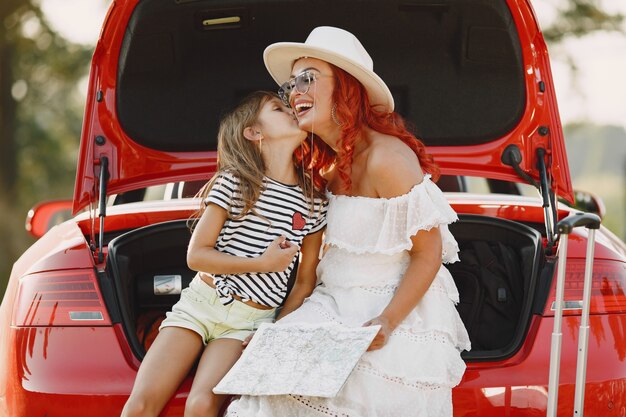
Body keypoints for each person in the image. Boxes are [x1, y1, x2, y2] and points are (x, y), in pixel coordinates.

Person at [226, 27, 471, 416]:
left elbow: (429, 254)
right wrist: (274, 331)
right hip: (332, 304)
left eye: (308, 78)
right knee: (266, 389)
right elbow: (309, 276)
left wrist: (386, 323)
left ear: (346, 87)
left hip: (395, 308)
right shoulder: (325, 170)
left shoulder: (386, 159)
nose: (295, 93)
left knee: (359, 394)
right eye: (291, 85)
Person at [121, 91, 334, 417]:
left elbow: (304, 283)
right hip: (201, 305)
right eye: (278, 108)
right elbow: (197, 255)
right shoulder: (235, 183)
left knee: (201, 405)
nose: (291, 110)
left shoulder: (314, 202)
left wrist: (274, 333)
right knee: (141, 405)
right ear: (254, 132)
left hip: (249, 323)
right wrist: (261, 264)